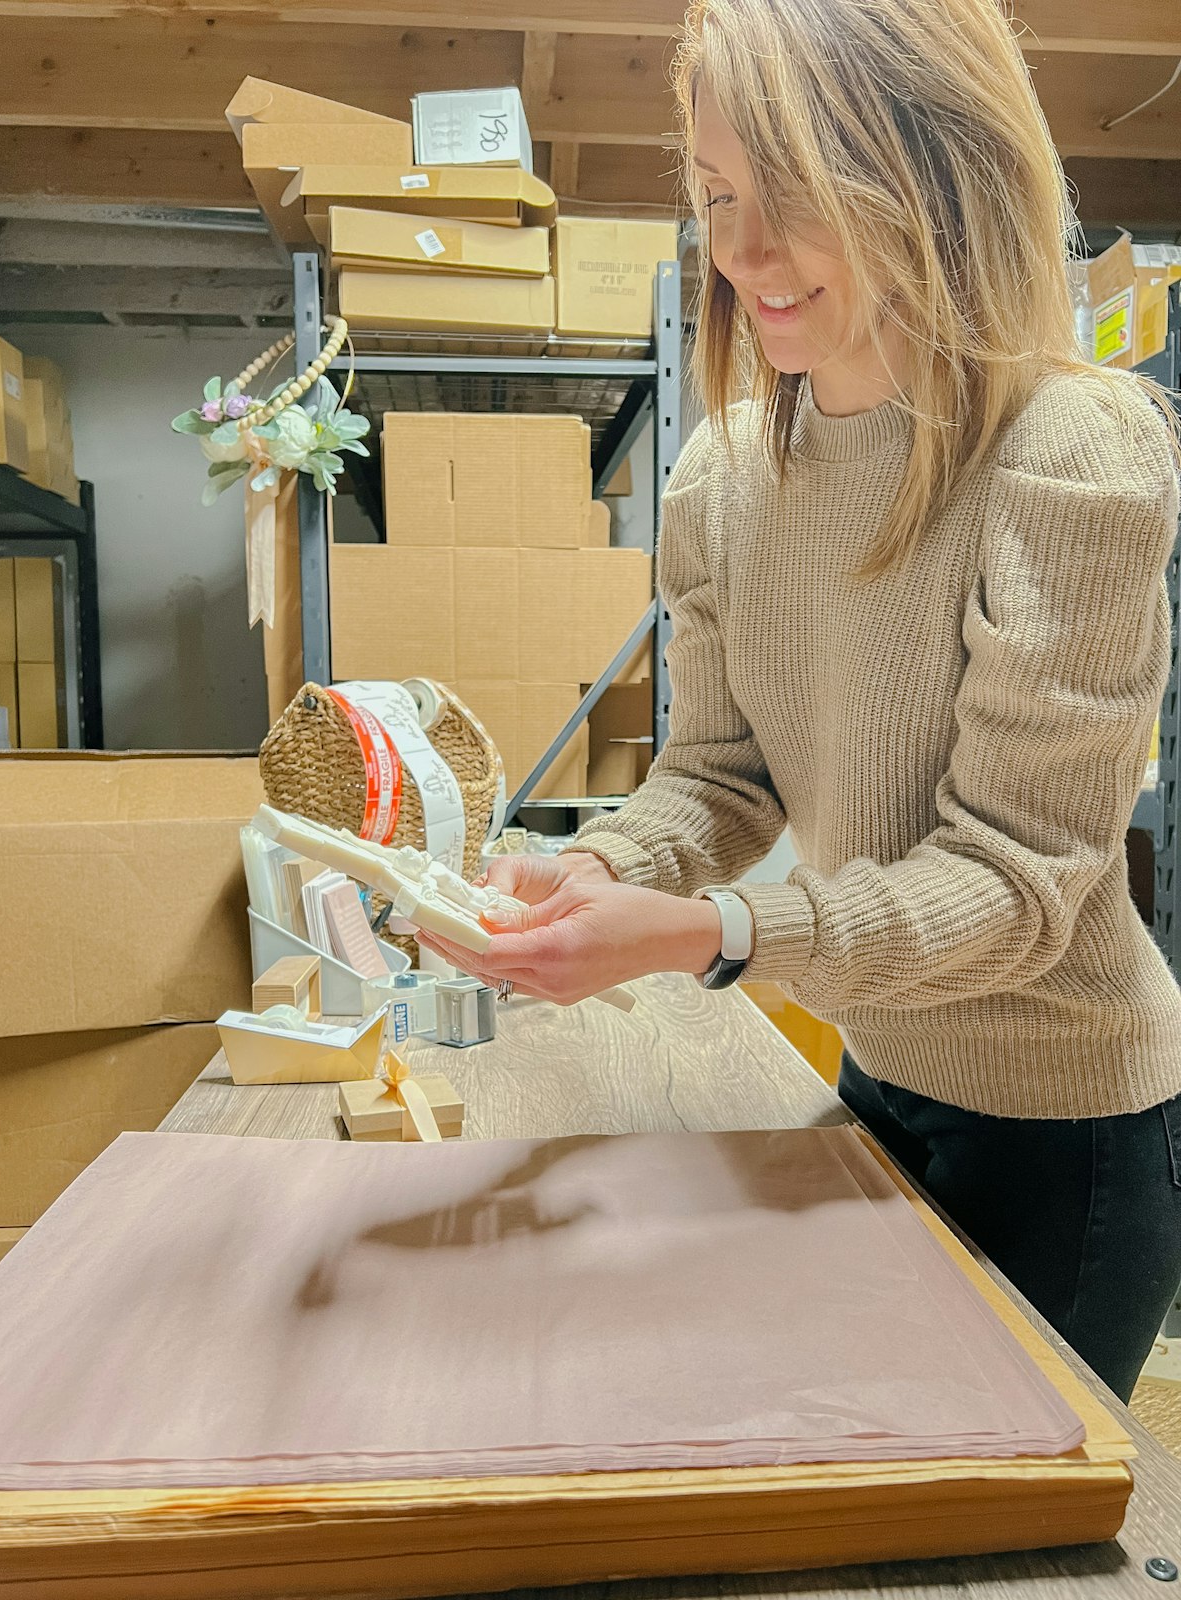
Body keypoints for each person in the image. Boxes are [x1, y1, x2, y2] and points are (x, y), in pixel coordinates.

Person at [417, 0, 1181, 1405]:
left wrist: (710, 936)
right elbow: (719, 777)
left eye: (799, 199)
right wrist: (592, 868)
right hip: (877, 1060)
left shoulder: (1075, 452)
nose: (745, 254)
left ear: (938, 178)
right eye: (718, 197)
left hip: (1064, 1126)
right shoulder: (722, 475)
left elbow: (1018, 888)